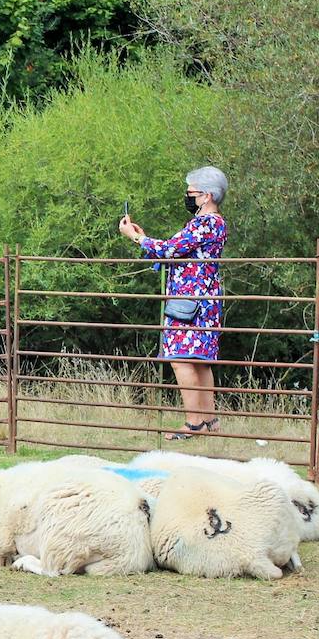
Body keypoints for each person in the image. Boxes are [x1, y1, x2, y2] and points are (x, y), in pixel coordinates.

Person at [118, 166, 229, 441]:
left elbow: (169, 250)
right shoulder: (213, 223)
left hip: (191, 300)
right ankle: (209, 421)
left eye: (191, 192)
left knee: (180, 359)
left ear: (207, 195)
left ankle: (193, 424)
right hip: (202, 298)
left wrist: (136, 237)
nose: (187, 196)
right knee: (200, 361)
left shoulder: (206, 223)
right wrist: (145, 240)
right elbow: (175, 252)